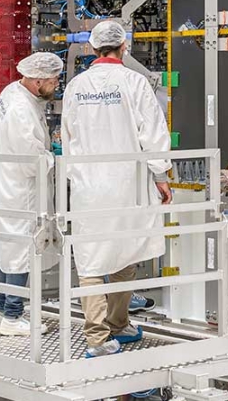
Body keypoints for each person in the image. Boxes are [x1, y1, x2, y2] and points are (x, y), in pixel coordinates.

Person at [61, 20, 172, 358]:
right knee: (128, 252)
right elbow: (152, 132)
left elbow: (68, 137)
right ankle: (116, 323)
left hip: (88, 188)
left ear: (93, 49)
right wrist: (162, 175)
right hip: (128, 186)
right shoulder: (135, 82)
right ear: (124, 47)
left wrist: (75, 176)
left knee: (91, 262)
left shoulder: (76, 86)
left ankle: (101, 335)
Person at [0, 51, 64, 337]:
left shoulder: (13, 92)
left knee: (9, 251)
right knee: (20, 253)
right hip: (20, 189)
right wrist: (56, 156)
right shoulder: (20, 108)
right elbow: (31, 161)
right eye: (54, 80)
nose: (57, 85)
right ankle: (13, 318)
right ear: (38, 80)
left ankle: (2, 312)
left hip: (7, 186)